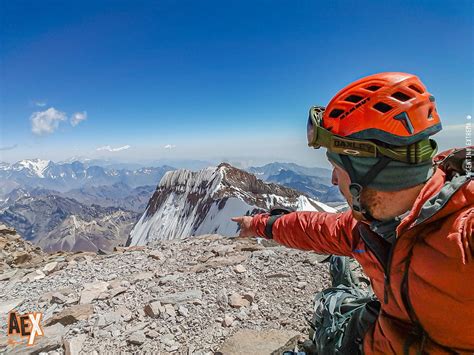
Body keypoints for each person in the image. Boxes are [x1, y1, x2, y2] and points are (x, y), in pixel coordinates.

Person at [232, 72, 473, 354]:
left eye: (338, 166)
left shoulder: (463, 236)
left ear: (369, 170)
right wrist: (258, 223)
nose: (334, 180)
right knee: (332, 312)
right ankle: (343, 290)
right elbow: (316, 228)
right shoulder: (373, 225)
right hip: (377, 341)